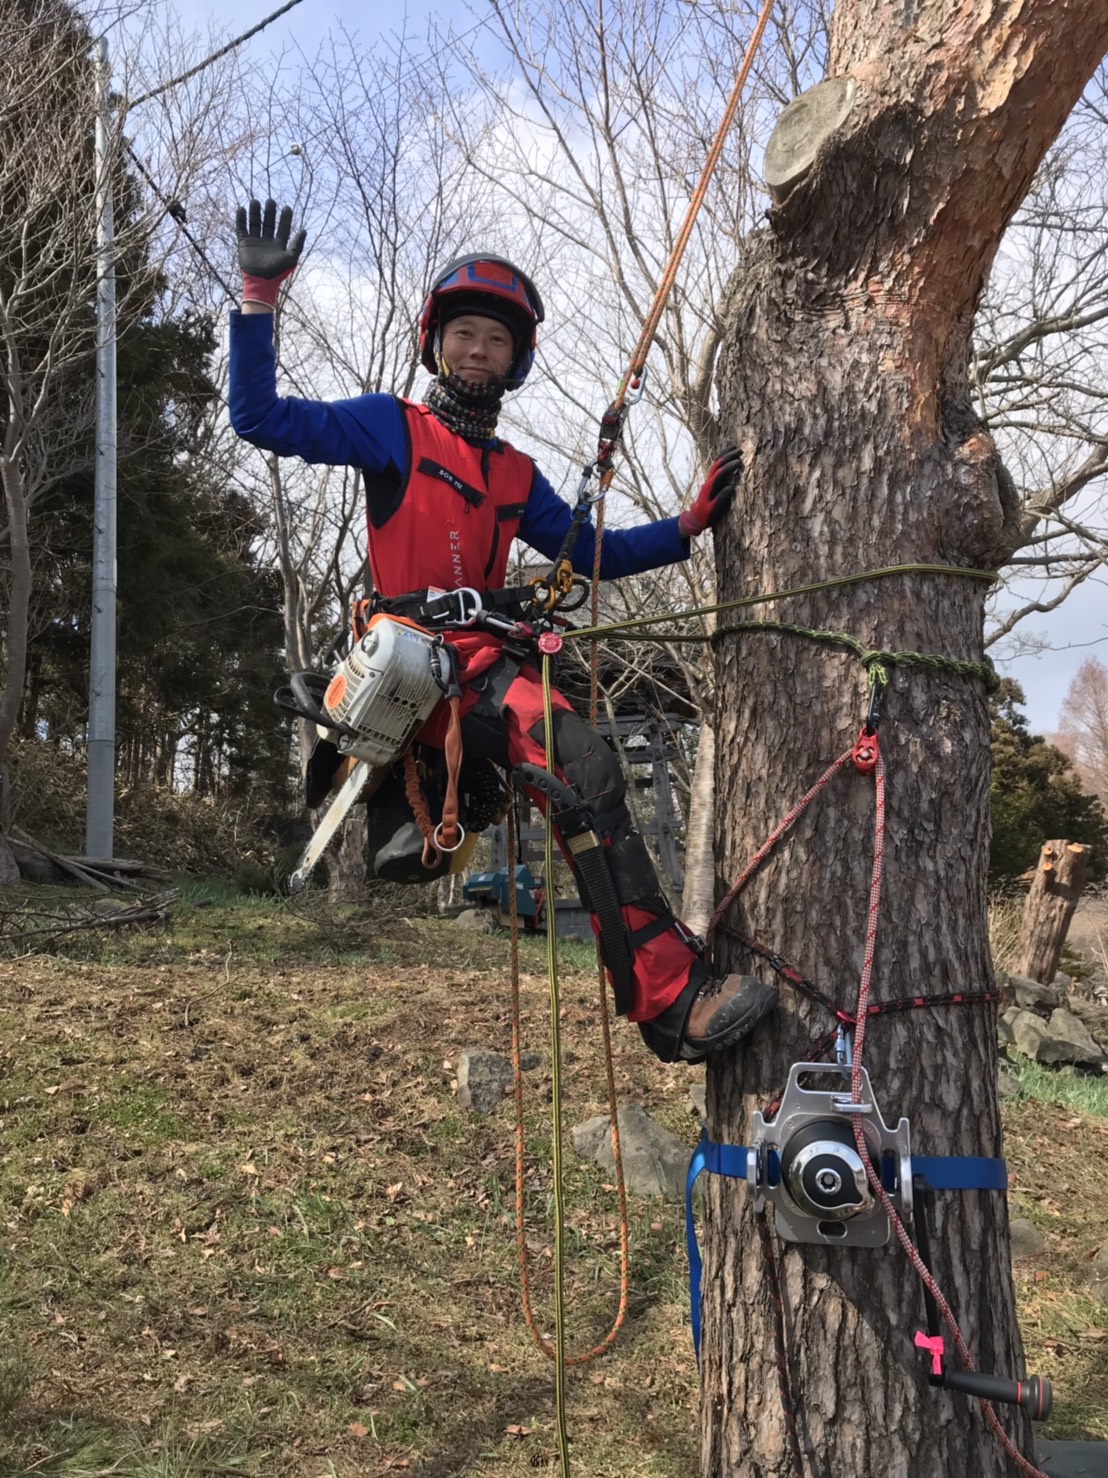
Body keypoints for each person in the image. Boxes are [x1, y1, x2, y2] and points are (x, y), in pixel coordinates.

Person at [229, 198, 778, 1064]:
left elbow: (586, 551)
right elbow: (260, 419)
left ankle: (665, 991)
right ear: (436, 343)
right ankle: (669, 998)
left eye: (496, 340)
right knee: (584, 759)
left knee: (585, 766)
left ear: (514, 360)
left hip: (487, 662)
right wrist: (259, 300)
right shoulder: (390, 427)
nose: (478, 350)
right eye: (465, 334)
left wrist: (682, 529)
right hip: (421, 668)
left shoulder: (515, 472)